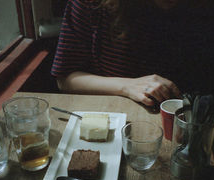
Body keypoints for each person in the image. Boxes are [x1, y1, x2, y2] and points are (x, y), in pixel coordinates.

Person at [51, 0, 191, 107]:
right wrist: (127, 86)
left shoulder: (204, 10)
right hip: (111, 112)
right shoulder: (92, 4)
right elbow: (65, 79)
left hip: (182, 114)